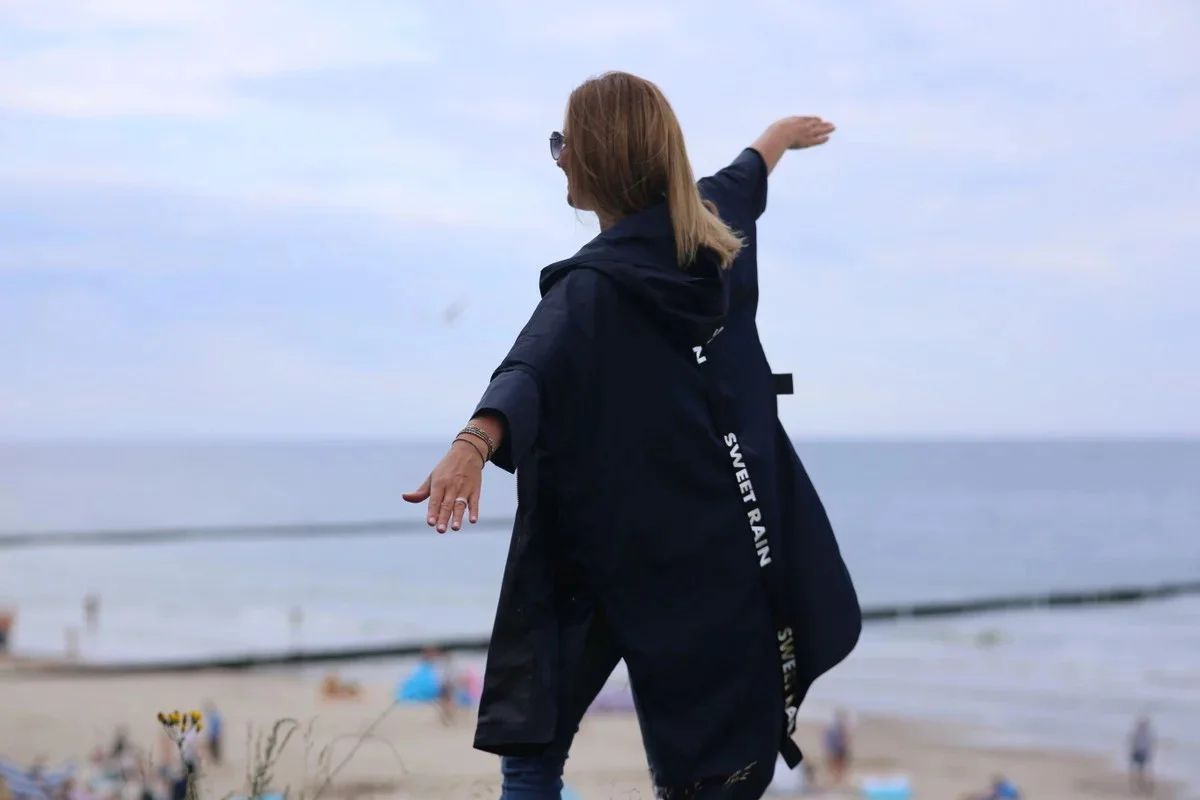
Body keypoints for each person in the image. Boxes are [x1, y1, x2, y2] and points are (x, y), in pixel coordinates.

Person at [404, 71, 861, 799]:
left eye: (564, 143)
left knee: (535, 755)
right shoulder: (714, 227)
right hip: (705, 553)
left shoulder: (592, 288)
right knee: (703, 770)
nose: (557, 157)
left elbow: (532, 365)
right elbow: (749, 171)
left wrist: (471, 446)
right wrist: (780, 136)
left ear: (600, 157)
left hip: (599, 562)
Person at [823, 710, 851, 786]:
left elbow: (846, 740)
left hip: (839, 749)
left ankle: (838, 780)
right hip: (835, 749)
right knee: (835, 765)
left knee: (839, 766)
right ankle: (835, 780)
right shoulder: (833, 728)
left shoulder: (841, 728)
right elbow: (828, 740)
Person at [1129, 715, 1155, 795]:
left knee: (1141, 769)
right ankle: (1139, 784)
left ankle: (1140, 784)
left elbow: (1149, 745)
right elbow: (1134, 743)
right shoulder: (1140, 732)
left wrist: (1150, 755)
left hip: (1143, 752)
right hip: (1139, 752)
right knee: (1138, 769)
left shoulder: (1146, 733)